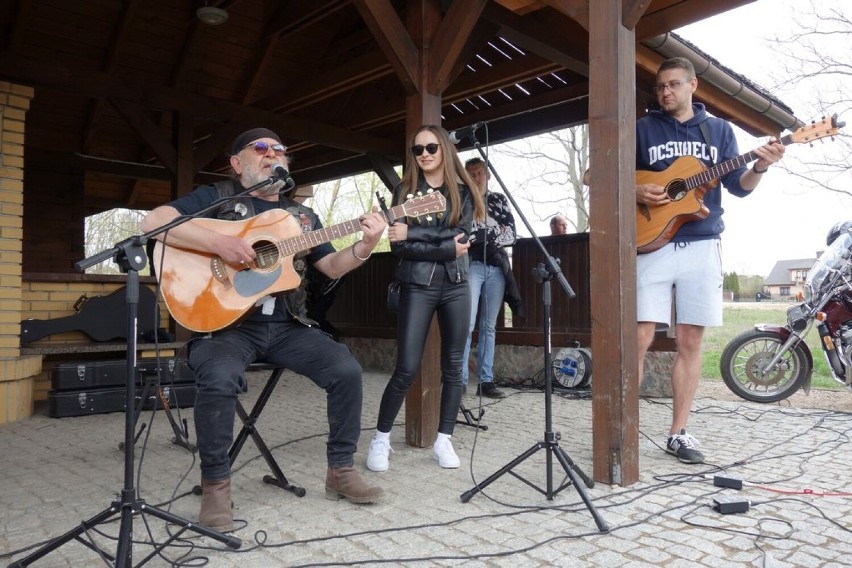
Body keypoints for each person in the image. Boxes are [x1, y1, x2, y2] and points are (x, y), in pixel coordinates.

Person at [140, 128, 387, 532]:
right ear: (238, 163)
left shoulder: (302, 217)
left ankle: (340, 471)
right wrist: (219, 245)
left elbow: (329, 266)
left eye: (279, 150)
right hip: (226, 328)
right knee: (218, 378)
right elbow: (155, 222)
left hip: (287, 325)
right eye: (261, 148)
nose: (272, 153)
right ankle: (216, 487)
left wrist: (364, 245)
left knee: (345, 370)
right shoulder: (217, 197)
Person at [634, 57, 784, 463]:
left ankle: (678, 433)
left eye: (673, 84)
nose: (665, 92)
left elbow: (739, 187)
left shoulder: (718, 130)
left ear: (693, 85)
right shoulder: (643, 128)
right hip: (652, 243)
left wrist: (760, 167)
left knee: (689, 339)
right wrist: (638, 190)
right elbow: (597, 174)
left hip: (703, 244)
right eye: (660, 86)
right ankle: (623, 425)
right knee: (639, 337)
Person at [365, 125, 485, 472]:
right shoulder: (405, 191)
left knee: (454, 368)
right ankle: (381, 438)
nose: (425, 154)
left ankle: (444, 440)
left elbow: (462, 236)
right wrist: (446, 247)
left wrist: (417, 232)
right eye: (418, 150)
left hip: (458, 284)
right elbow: (399, 246)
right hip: (417, 285)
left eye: (432, 147)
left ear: (445, 149)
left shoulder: (462, 190)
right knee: (406, 366)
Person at [461, 157, 520, 399]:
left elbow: (512, 234)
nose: (476, 178)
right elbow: (463, 234)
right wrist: (491, 233)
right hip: (472, 265)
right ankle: (460, 380)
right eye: (471, 173)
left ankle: (486, 380)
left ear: (487, 175)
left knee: (489, 326)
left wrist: (484, 234)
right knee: (467, 324)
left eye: (480, 173)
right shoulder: (462, 201)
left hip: (496, 266)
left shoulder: (498, 200)